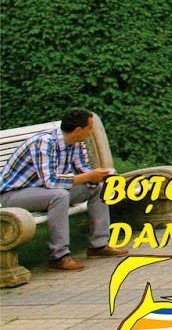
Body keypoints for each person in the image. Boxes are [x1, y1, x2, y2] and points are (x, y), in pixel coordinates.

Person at [0, 108, 126, 271]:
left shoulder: (75, 142)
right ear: (78, 130)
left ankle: (99, 246)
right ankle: (59, 257)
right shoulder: (44, 143)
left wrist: (101, 176)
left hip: (43, 191)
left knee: (98, 188)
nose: (91, 132)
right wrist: (88, 176)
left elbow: (82, 170)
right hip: (14, 195)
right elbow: (51, 181)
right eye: (90, 128)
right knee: (59, 196)